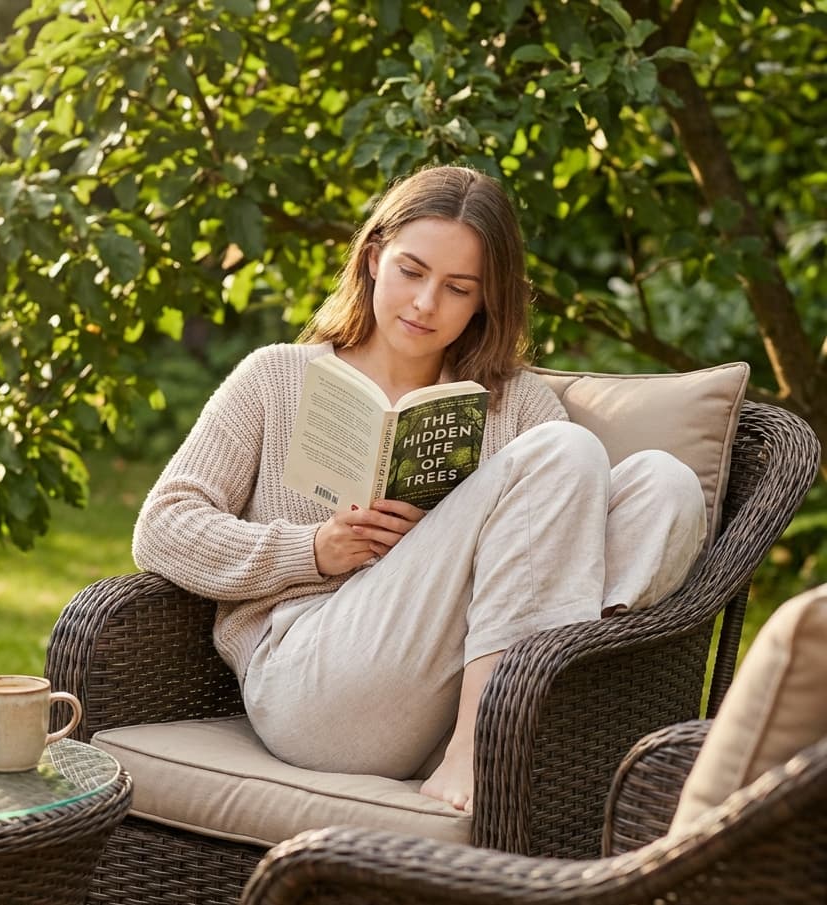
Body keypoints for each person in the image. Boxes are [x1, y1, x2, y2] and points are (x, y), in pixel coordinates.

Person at [133, 164, 707, 811]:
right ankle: (487, 747)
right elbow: (161, 528)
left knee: (667, 484)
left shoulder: (516, 405)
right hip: (316, 682)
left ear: (486, 298)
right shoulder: (275, 377)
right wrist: (314, 549)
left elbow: (563, 542)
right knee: (566, 450)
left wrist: (458, 532)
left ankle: (515, 714)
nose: (425, 304)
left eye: (458, 288)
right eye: (411, 271)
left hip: (445, 688)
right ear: (374, 258)